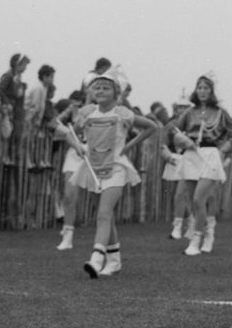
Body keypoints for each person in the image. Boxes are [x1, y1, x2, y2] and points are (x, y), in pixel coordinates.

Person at [62, 67, 156, 278]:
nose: (101, 91)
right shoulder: (87, 113)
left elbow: (151, 127)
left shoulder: (123, 113)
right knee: (107, 216)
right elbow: (70, 134)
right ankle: (114, 261)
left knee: (103, 213)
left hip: (116, 168)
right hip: (95, 168)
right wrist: (78, 147)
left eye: (106, 88)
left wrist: (130, 146)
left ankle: (97, 257)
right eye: (97, 87)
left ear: (116, 93)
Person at [172, 72, 232, 255]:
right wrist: (182, 140)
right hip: (192, 154)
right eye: (199, 87)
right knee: (194, 202)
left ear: (211, 91)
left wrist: (222, 150)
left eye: (206, 88)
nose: (202, 91)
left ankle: (197, 240)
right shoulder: (189, 112)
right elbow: (175, 129)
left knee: (198, 198)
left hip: (210, 155)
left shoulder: (220, 113)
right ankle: (207, 233)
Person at [53, 90, 86, 250]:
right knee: (69, 196)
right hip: (75, 153)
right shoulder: (72, 113)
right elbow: (55, 124)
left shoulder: (99, 111)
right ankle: (67, 236)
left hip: (95, 154)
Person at [160, 92, 192, 240]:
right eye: (180, 107)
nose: (182, 110)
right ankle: (192, 220)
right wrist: (167, 156)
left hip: (189, 161)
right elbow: (163, 144)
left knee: (181, 195)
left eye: (185, 107)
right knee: (177, 196)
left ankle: (177, 227)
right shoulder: (171, 126)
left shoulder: (194, 125)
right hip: (174, 160)